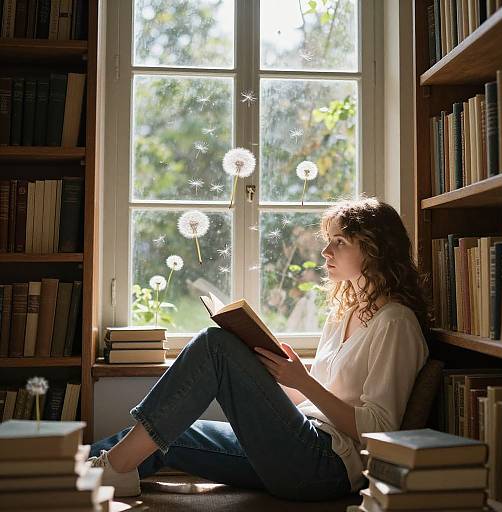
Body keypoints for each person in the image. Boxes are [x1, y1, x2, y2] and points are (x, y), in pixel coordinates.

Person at [88, 196, 431, 502]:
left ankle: (111, 468)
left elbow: (381, 430)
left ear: (375, 249)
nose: (326, 252)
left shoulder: (395, 323)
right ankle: (69, 467)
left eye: (339, 242)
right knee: (172, 431)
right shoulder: (347, 312)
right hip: (301, 438)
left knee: (213, 345)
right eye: (328, 241)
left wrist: (304, 382)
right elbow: (316, 401)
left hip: (327, 465)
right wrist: (265, 370)